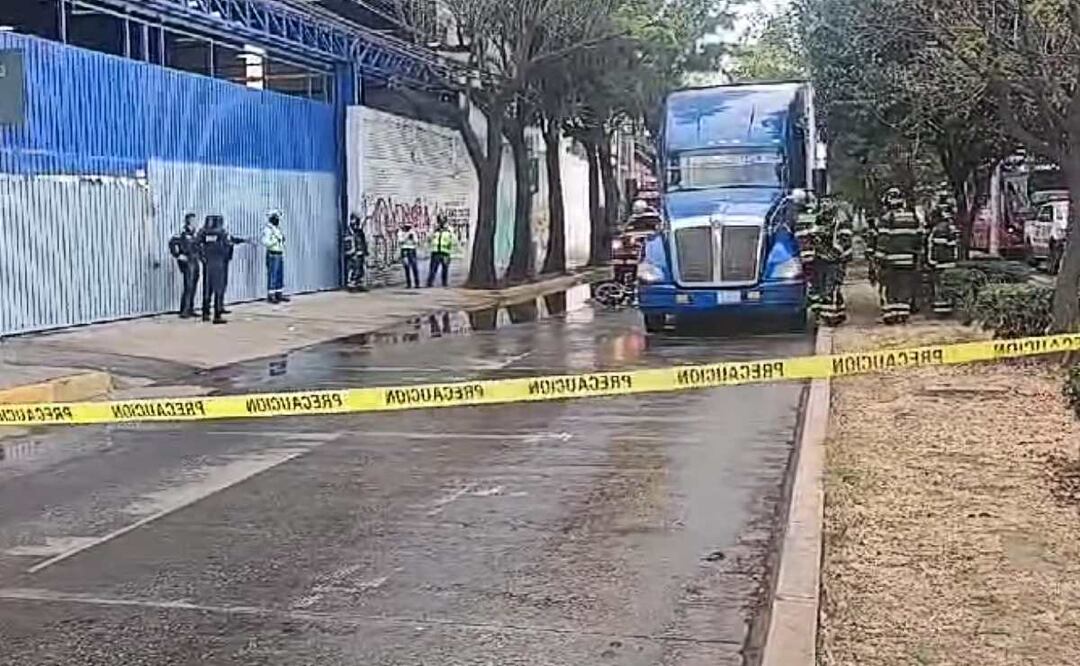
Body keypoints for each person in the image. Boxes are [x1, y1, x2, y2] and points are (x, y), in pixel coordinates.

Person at [875, 188, 922, 324]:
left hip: (891, 261)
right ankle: (903, 314)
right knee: (905, 286)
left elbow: (883, 241)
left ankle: (891, 315)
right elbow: (919, 238)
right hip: (908, 260)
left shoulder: (887, 218)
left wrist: (878, 260)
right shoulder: (912, 217)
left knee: (891, 288)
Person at [810, 199, 854, 326]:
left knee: (832, 287)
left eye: (827, 202)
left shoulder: (841, 220)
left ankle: (830, 318)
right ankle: (837, 314)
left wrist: (834, 254)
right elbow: (815, 235)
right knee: (824, 287)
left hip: (837, 260)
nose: (824, 205)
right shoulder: (819, 219)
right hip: (822, 259)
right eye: (822, 203)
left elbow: (844, 240)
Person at [925, 191, 960, 316]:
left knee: (939, 285)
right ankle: (948, 307)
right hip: (950, 262)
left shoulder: (938, 230)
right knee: (947, 285)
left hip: (940, 263)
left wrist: (931, 261)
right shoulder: (951, 228)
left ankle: (940, 309)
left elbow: (934, 247)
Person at [197, 215, 231, 324]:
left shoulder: (203, 232)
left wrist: (202, 257)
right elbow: (227, 246)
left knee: (207, 289)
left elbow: (196, 244)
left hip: (207, 263)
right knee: (218, 289)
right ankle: (217, 315)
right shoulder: (222, 233)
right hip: (219, 263)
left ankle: (205, 313)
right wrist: (226, 257)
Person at [168, 213, 201, 318]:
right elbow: (172, 243)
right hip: (187, 262)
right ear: (188, 221)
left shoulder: (195, 234)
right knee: (188, 286)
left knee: (194, 286)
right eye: (193, 220)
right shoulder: (182, 233)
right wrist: (178, 255)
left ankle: (191, 309)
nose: (195, 222)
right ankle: (184, 310)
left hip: (195, 261)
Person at [792, 191, 820, 311]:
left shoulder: (793, 214)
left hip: (801, 254)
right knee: (813, 282)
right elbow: (815, 231)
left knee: (808, 282)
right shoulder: (810, 214)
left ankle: (811, 306)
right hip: (809, 254)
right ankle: (814, 307)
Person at [261, 211, 289, 303]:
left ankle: (279, 293)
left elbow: (281, 239)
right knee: (272, 274)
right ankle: (271, 295)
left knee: (279, 274)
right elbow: (265, 242)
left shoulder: (277, 229)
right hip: (272, 254)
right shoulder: (268, 229)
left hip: (279, 253)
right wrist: (275, 241)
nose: (277, 219)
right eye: (276, 217)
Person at [426, 215, 455, 288]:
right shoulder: (435, 230)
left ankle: (444, 283)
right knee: (433, 269)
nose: (441, 223)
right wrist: (434, 230)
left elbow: (453, 240)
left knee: (445, 269)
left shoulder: (449, 230)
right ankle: (430, 283)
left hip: (445, 252)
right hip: (435, 252)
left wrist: (451, 252)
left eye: (442, 221)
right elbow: (429, 238)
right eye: (439, 221)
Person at [344, 214, 369, 292]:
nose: (356, 223)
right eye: (354, 220)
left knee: (360, 269)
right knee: (353, 269)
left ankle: (359, 284)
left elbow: (363, 241)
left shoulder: (359, 231)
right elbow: (348, 243)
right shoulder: (349, 231)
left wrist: (365, 251)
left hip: (360, 253)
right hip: (353, 254)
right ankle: (351, 285)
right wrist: (351, 252)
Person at [397, 221, 420, 288]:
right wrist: (407, 236)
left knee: (414, 267)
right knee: (407, 267)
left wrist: (412, 237)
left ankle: (417, 283)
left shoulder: (413, 232)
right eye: (406, 227)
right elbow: (400, 241)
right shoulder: (400, 232)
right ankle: (408, 284)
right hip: (404, 250)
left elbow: (416, 241)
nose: (408, 228)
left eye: (409, 227)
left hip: (412, 250)